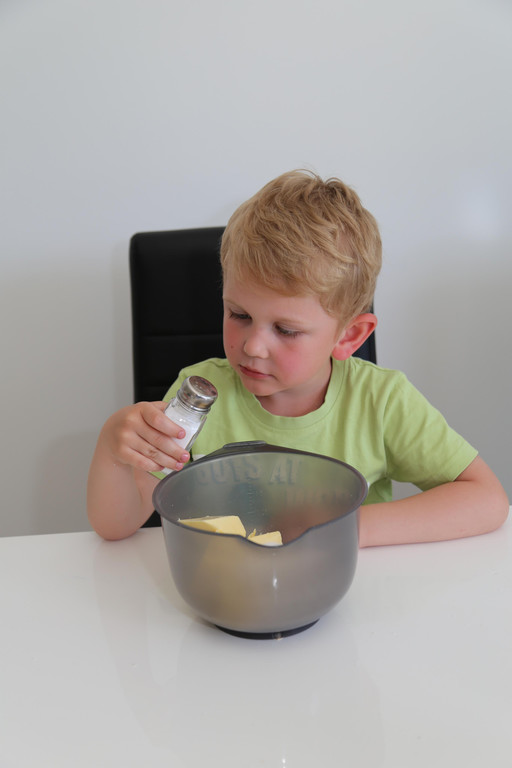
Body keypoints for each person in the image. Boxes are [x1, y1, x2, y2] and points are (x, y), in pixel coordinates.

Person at [87, 170, 508, 542]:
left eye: (286, 330)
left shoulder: (382, 401)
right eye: (239, 315)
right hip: (228, 588)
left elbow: (487, 499)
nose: (252, 346)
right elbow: (115, 526)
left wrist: (344, 529)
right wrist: (112, 448)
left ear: (349, 336)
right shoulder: (198, 396)